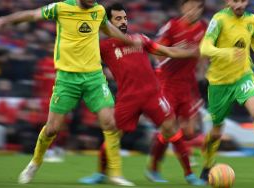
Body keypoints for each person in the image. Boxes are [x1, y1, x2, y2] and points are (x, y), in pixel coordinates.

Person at [0, 0, 141, 186]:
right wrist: (3, 21)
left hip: (94, 77)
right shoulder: (61, 8)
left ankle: (116, 173)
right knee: (52, 128)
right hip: (67, 79)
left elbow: (108, 28)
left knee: (110, 122)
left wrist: (129, 40)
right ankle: (35, 162)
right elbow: (32, 14)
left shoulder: (98, 10)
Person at [78, 3, 204, 186]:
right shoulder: (103, 46)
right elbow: (84, 62)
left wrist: (191, 52)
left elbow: (166, 51)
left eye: (124, 18)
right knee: (114, 135)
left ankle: (190, 175)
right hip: (127, 98)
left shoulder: (140, 39)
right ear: (108, 23)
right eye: (117, 18)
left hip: (153, 95)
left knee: (172, 129)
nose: (123, 22)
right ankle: (100, 173)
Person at [198, 0, 254, 182]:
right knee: (216, 132)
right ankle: (207, 165)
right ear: (227, 1)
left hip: (243, 77)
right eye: (235, 0)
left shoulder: (252, 19)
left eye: (243, 0)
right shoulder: (219, 19)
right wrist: (226, 52)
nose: (240, 4)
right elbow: (204, 48)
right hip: (219, 82)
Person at [146, 0, 208, 182]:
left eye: (196, 7)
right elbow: (154, 51)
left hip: (187, 86)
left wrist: (202, 72)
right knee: (170, 129)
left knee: (188, 131)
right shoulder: (172, 26)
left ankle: (158, 163)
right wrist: (175, 51)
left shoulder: (203, 28)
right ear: (182, 8)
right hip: (167, 84)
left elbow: (203, 53)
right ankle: (185, 173)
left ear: (201, 10)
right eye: (188, 7)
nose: (192, 11)